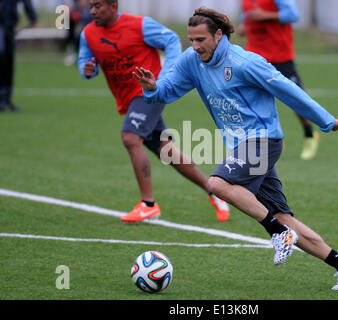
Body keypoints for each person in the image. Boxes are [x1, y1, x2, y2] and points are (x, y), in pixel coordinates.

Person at [133, 7, 338, 290]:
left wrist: (327, 122)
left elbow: (288, 91)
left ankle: (277, 233)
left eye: (201, 40)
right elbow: (168, 89)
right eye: (191, 40)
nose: (195, 46)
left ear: (218, 35)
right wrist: (152, 87)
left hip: (264, 140)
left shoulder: (245, 62)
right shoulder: (192, 60)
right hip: (241, 146)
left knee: (217, 183)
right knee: (284, 217)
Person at [78, 0, 229, 223]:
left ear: (113, 6)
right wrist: (87, 69)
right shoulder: (88, 33)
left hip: (148, 91)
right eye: (91, 6)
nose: (92, 11)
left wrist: (165, 75)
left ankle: (148, 204)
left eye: (97, 6)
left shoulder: (140, 25)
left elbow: (170, 40)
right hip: (128, 100)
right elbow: (84, 59)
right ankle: (214, 192)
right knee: (166, 151)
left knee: (130, 137)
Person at [238, 0, 319, 160]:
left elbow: (293, 15)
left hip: (280, 56)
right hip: (254, 56)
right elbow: (247, 13)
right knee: (252, 99)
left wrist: (265, 15)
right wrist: (244, 24)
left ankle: (310, 134)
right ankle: (271, 141)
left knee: (296, 99)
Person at [0, 0, 38, 112]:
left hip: (9, 26)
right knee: (2, 58)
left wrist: (32, 17)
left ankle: (6, 99)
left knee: (8, 63)